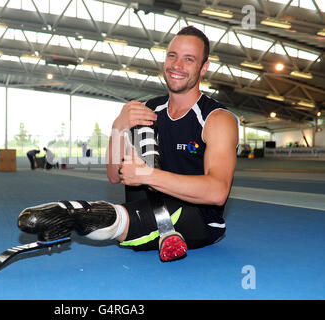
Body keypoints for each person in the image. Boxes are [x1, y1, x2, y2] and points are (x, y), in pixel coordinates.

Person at [17, 26, 239, 262]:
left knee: (125, 216)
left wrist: (147, 175)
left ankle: (80, 215)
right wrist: (118, 128)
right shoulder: (148, 110)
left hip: (199, 219)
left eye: (189, 59)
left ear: (203, 67)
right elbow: (114, 174)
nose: (177, 65)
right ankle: (139, 227)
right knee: (143, 131)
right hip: (149, 206)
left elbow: (217, 192)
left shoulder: (217, 119)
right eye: (172, 56)